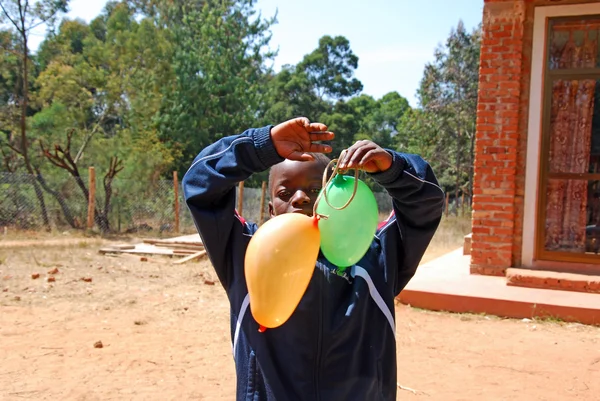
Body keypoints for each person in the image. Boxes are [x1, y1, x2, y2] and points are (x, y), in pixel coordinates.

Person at [183, 117, 444, 401]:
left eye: (316, 189)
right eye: (285, 192)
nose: (301, 198)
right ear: (271, 209)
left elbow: (425, 204)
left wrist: (394, 169)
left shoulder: (375, 255)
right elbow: (200, 184)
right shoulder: (245, 252)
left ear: (336, 197)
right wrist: (262, 146)